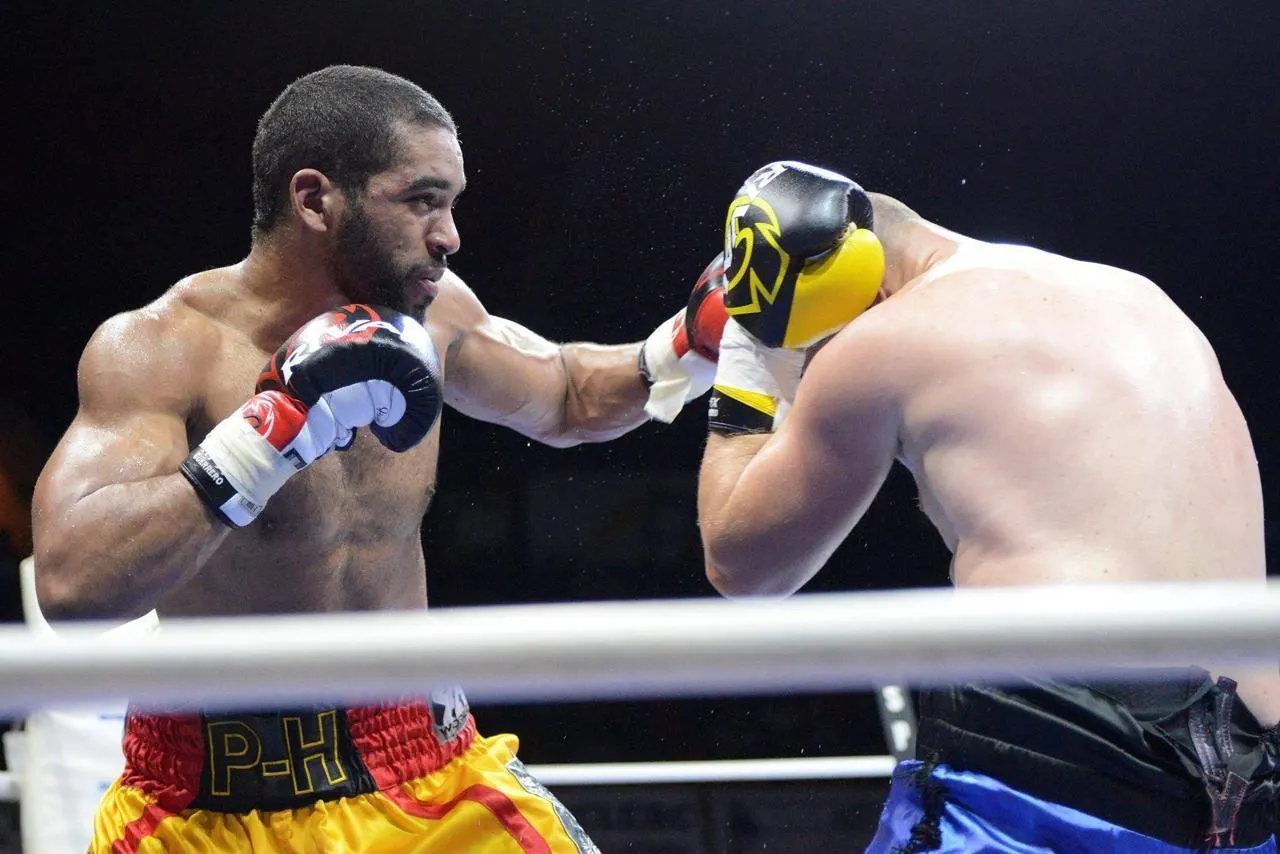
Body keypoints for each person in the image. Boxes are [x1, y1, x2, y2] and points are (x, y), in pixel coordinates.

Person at [31, 64, 727, 853]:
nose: (449, 235)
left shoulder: (432, 315)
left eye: (452, 203)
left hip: (428, 772)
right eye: (422, 200)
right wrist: (258, 441)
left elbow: (566, 392)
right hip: (206, 809)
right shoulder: (165, 348)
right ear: (314, 200)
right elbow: (72, 587)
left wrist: (691, 341)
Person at [695, 160, 1280, 851]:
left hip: (1055, 755)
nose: (815, 360)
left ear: (855, 283)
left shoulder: (887, 337)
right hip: (1252, 781)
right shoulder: (1140, 297)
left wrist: (749, 364)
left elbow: (742, 564)